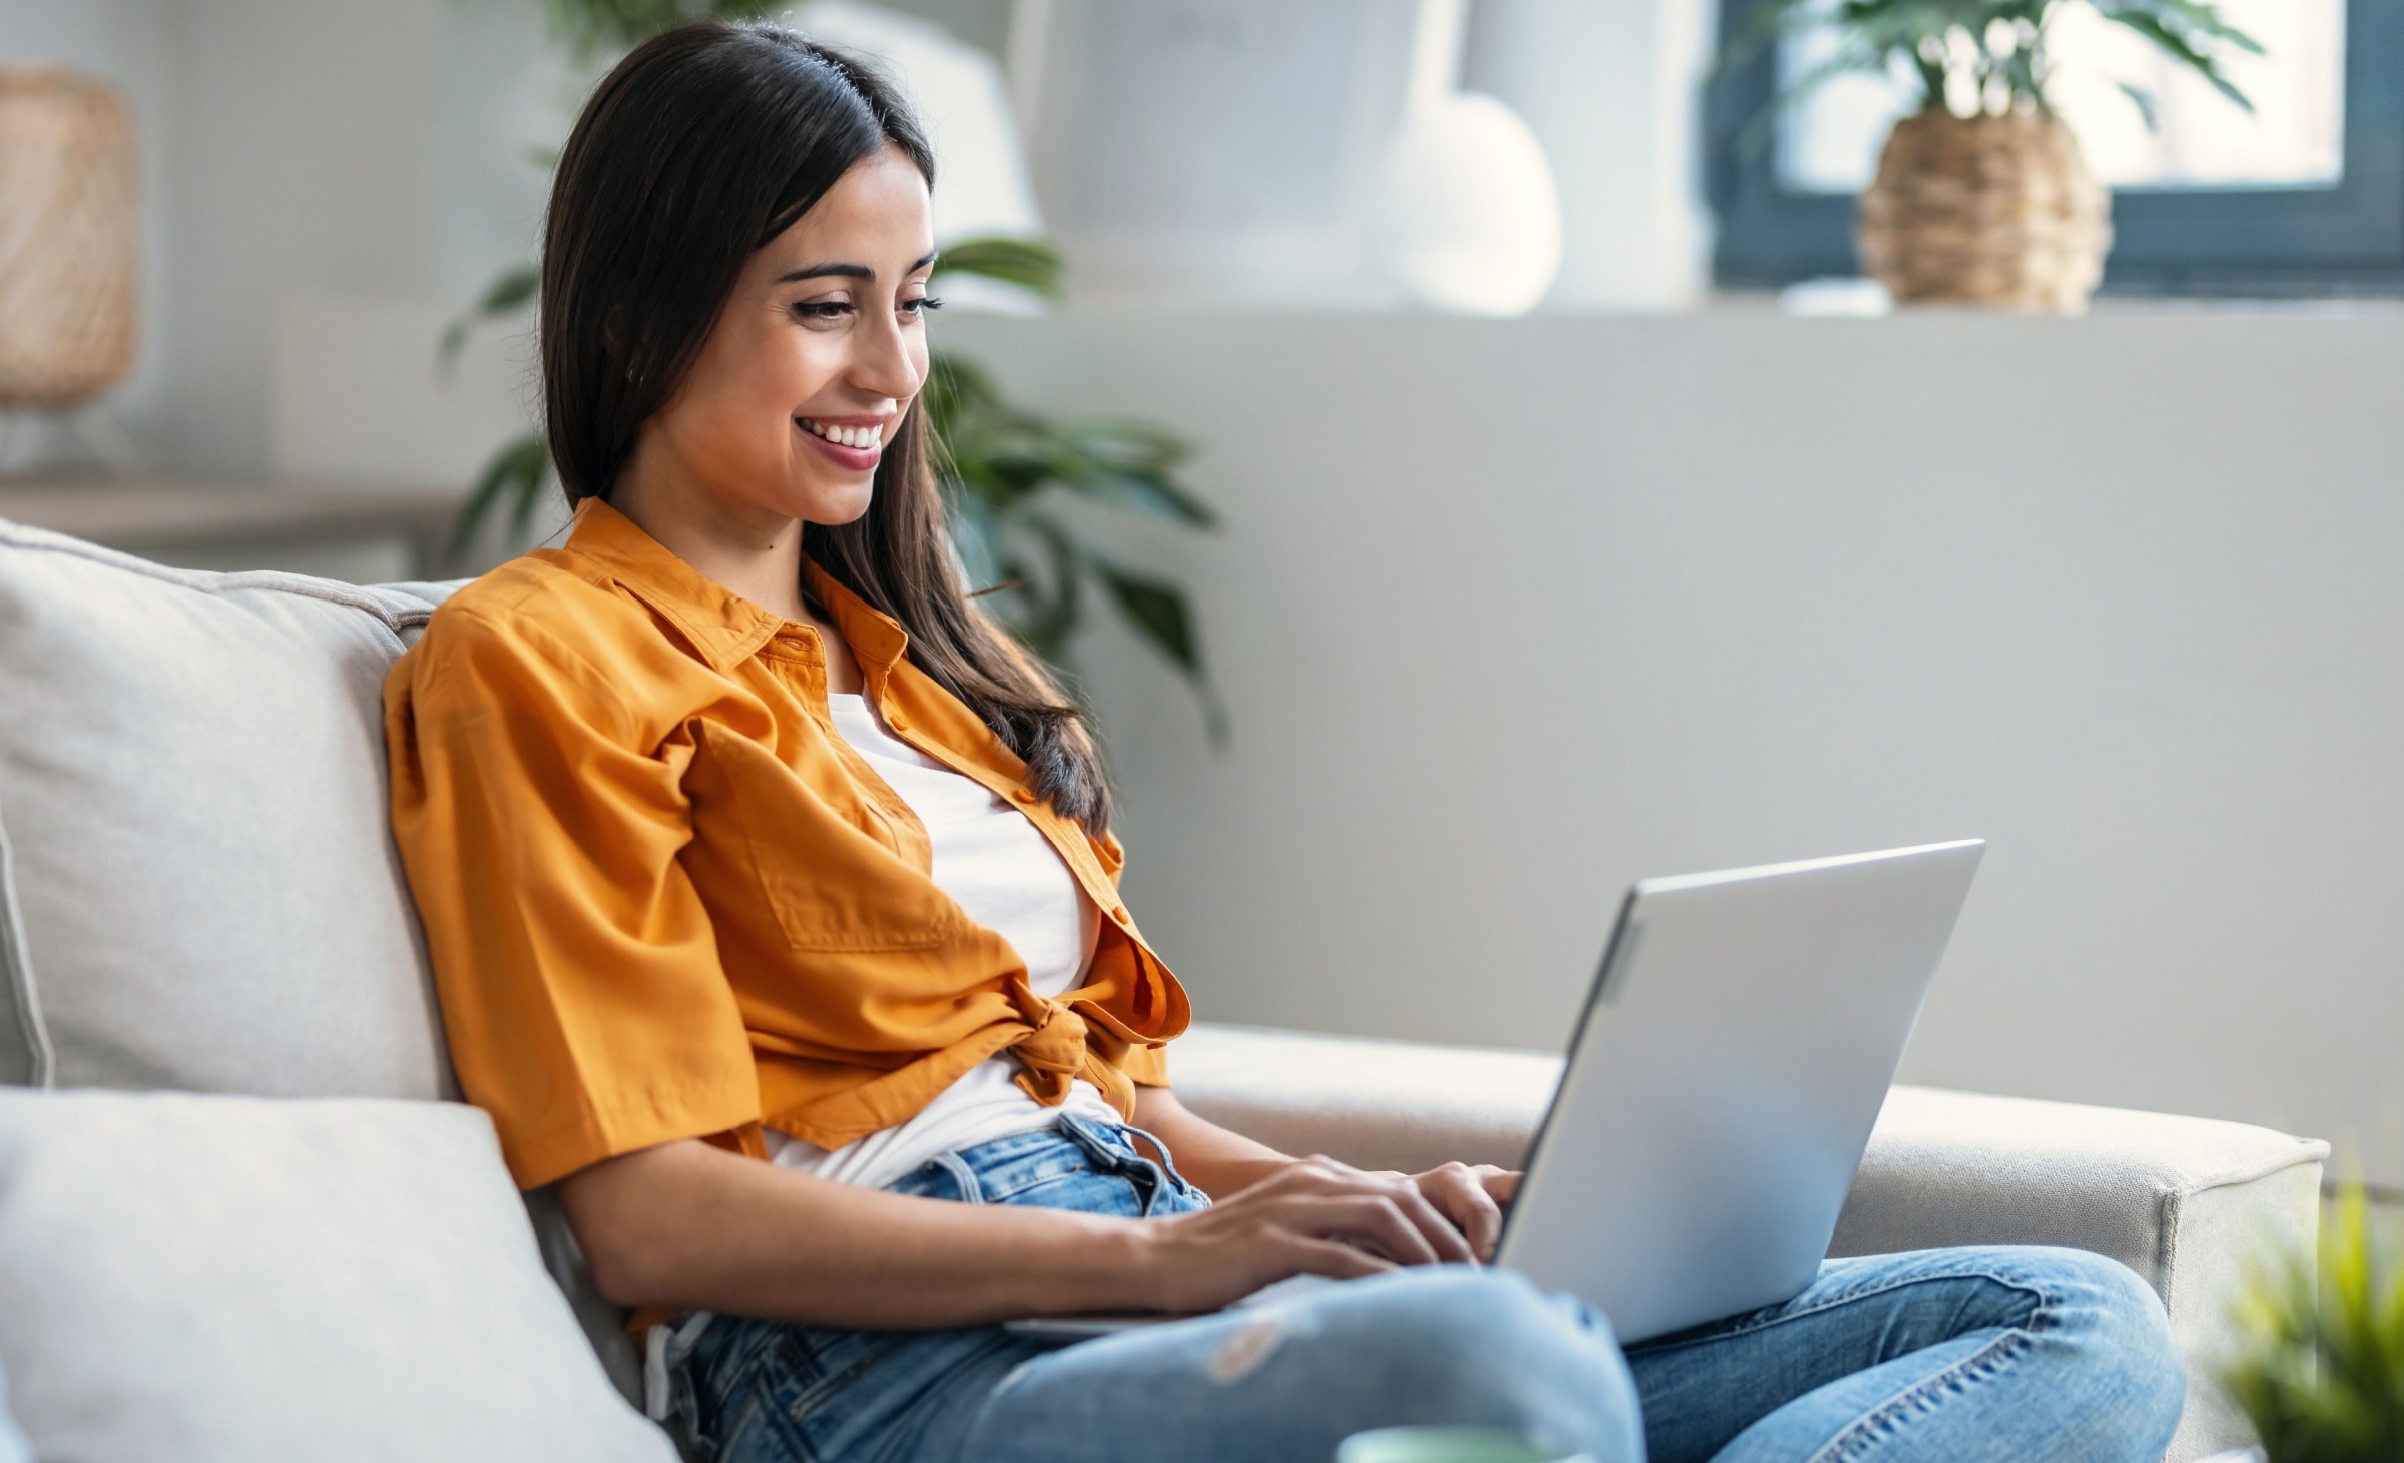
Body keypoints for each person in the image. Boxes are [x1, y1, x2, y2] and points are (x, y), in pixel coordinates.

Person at [384, 21, 2187, 1463]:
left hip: (1152, 1267)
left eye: (913, 297)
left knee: (2075, 1319)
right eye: (823, 303)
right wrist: (1166, 1262)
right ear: (637, 308)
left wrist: (1343, 1204)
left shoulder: (934, 681)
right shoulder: (531, 659)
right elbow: (650, 1219)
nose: (894, 372)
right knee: (1508, 1378)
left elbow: (1118, 1107)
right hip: (877, 1376)